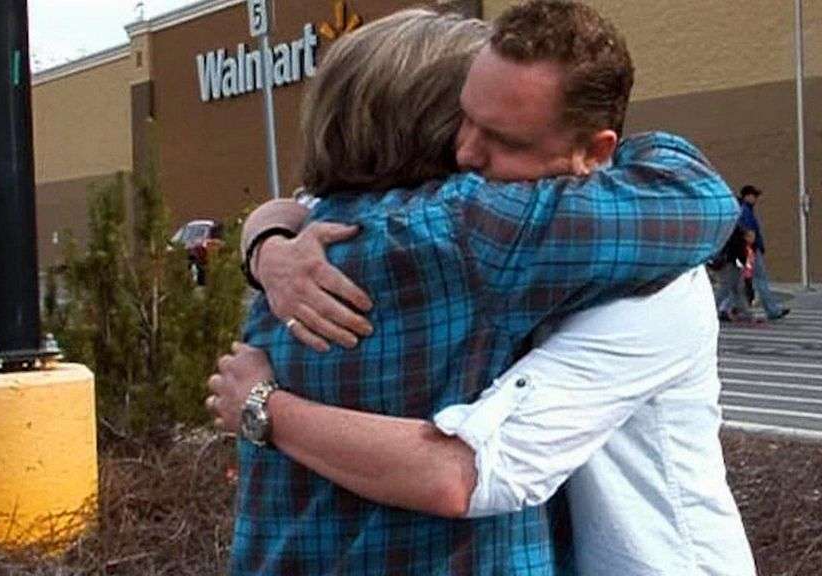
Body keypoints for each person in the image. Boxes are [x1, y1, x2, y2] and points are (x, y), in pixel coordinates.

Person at [207, 3, 751, 575]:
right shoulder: (469, 232)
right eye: (463, 120)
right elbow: (702, 196)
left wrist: (263, 397)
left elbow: (466, 472)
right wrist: (266, 242)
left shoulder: (314, 247)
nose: (468, 151)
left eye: (502, 137)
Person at [737, 184, 790, 320]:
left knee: (739, 281)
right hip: (751, 250)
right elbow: (749, 233)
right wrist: (753, 247)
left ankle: (728, 308)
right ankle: (772, 310)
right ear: (747, 196)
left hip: (748, 250)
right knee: (760, 280)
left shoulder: (744, 210)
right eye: (754, 195)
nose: (756, 198)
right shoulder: (746, 211)